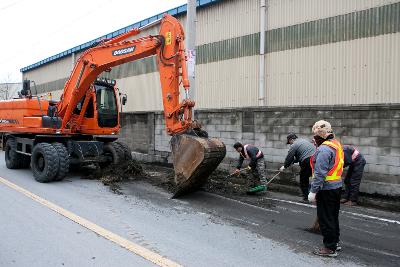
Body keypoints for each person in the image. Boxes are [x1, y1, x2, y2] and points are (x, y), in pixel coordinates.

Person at [308, 120, 343, 257]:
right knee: (333, 217)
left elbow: (320, 173)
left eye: (315, 137)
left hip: (326, 189)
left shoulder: (323, 150)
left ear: (321, 135)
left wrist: (313, 191)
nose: (313, 139)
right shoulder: (336, 144)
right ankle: (335, 243)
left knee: (326, 218)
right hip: (337, 187)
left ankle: (329, 248)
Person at [280, 133, 315, 202]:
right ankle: (313, 195)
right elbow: (298, 157)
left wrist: (285, 166)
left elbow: (289, 157)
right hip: (316, 158)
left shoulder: (294, 145)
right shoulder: (303, 141)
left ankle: (306, 198)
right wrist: (292, 162)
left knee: (303, 179)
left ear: (291, 140)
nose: (290, 144)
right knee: (315, 178)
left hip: (308, 161)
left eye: (289, 142)